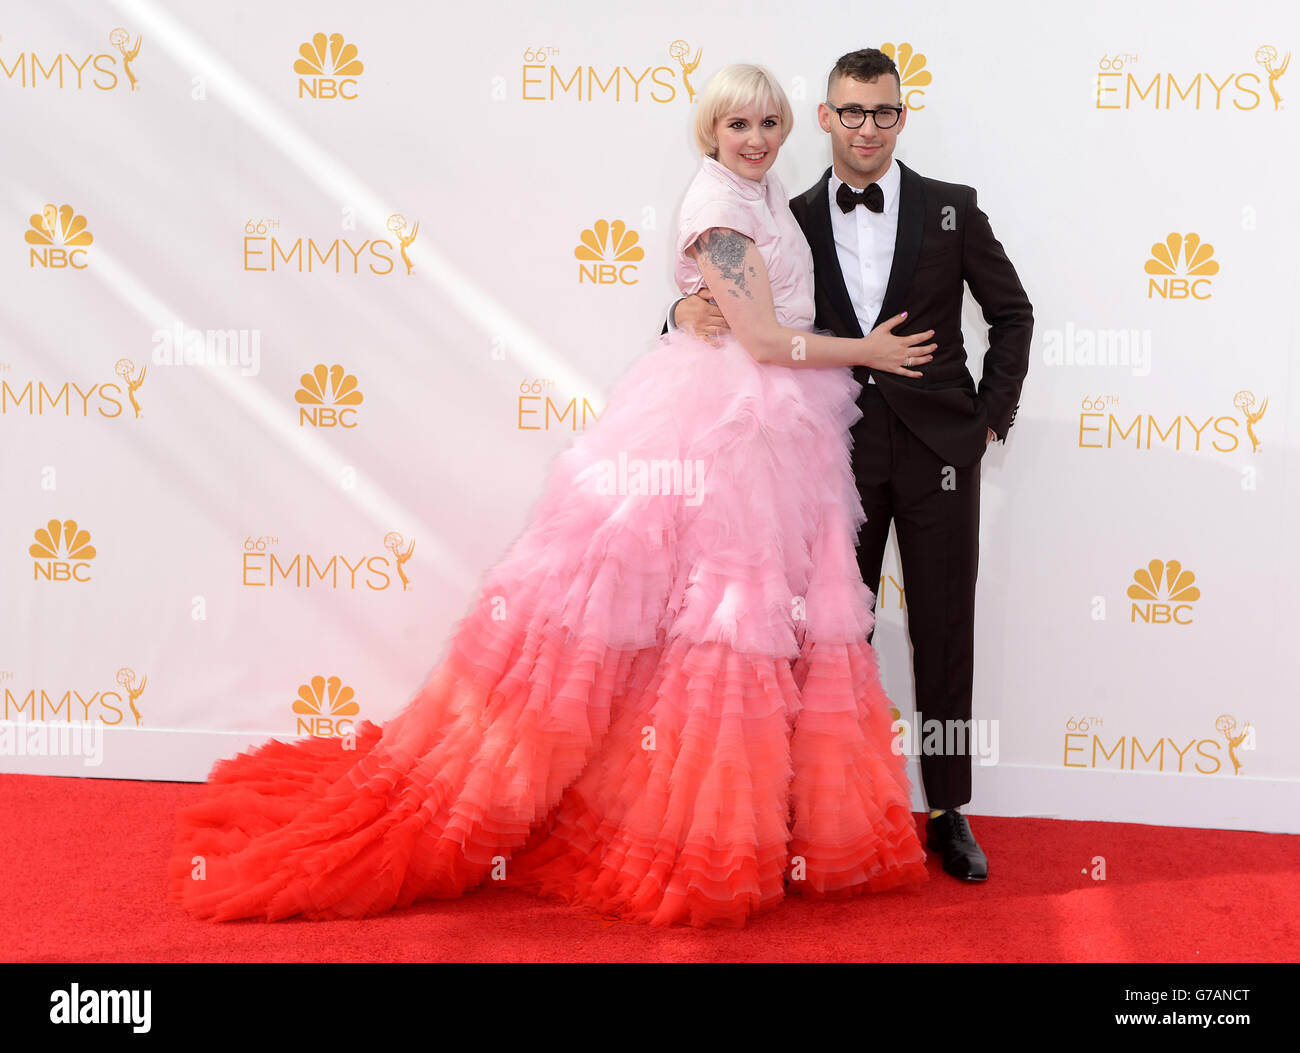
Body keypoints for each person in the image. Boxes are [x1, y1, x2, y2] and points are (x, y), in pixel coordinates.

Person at [166, 63, 936, 930]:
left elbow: (746, 310)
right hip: (726, 423)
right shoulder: (718, 209)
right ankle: (686, 836)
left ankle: (720, 817)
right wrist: (865, 353)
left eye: (767, 123)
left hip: (774, 427)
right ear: (710, 133)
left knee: (714, 627)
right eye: (737, 127)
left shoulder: (762, 192)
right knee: (714, 618)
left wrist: (694, 312)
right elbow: (760, 337)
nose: (755, 139)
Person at [673, 49, 1033, 882]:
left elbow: (1011, 314)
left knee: (946, 632)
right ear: (828, 118)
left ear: (901, 118)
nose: (867, 126)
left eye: (883, 111)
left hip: (944, 451)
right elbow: (750, 308)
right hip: (835, 452)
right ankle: (822, 809)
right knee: (832, 635)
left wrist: (987, 421)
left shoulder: (952, 209)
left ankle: (948, 812)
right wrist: (679, 306)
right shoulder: (785, 211)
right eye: (851, 111)